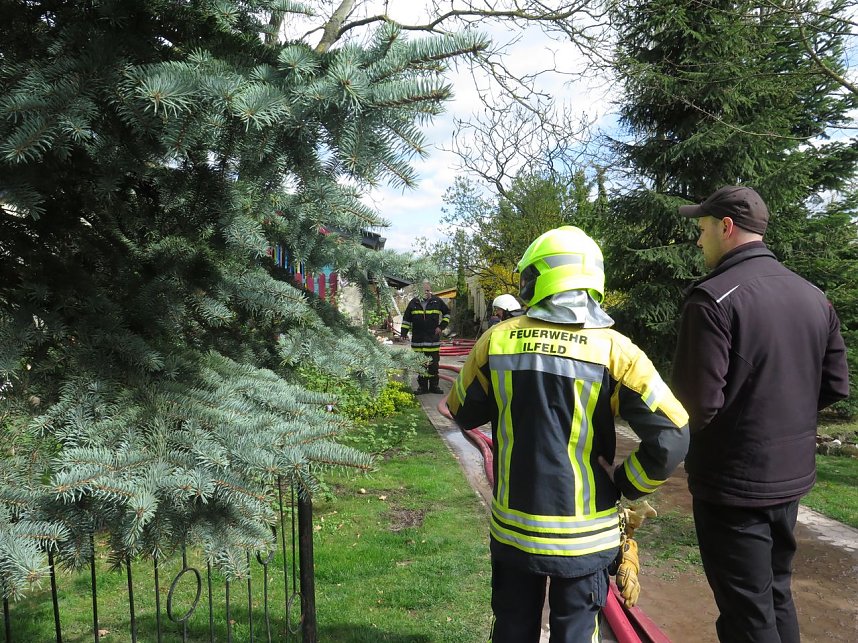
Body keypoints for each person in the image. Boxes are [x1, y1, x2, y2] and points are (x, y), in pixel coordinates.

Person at [447, 226, 690, 642]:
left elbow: (462, 413)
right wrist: (626, 481)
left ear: (536, 279)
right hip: (585, 539)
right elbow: (673, 435)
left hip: (514, 531)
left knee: (511, 628)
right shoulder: (617, 351)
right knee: (577, 633)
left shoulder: (497, 341)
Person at [673, 185, 850, 643]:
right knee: (774, 594)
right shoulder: (812, 294)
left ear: (726, 228)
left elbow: (698, 405)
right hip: (790, 478)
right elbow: (833, 385)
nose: (699, 241)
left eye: (703, 229)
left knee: (746, 614)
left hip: (734, 487)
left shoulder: (712, 299)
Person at [401, 280, 450, 395]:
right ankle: (422, 388)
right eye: (423, 291)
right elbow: (406, 319)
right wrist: (403, 333)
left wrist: (441, 326)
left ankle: (434, 387)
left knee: (433, 366)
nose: (426, 293)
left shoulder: (437, 301)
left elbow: (447, 313)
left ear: (430, 290)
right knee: (420, 366)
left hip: (433, 342)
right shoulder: (413, 303)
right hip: (418, 342)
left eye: (428, 290)